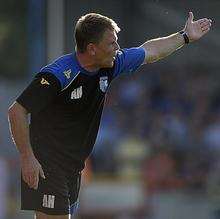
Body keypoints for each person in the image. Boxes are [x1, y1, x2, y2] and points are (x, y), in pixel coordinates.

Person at [8, 12, 211, 219]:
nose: (117, 48)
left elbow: (149, 51)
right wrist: (27, 158)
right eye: (112, 43)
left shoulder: (110, 64)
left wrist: (185, 36)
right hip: (47, 165)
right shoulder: (59, 74)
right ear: (92, 49)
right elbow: (17, 111)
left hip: (72, 167)